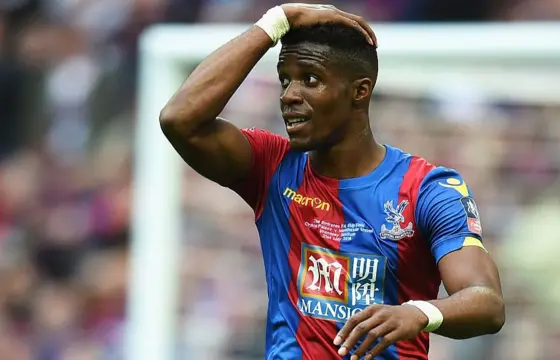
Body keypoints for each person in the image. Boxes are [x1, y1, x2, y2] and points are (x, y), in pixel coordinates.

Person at [160, 3, 505, 359]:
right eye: (285, 79)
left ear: (360, 91)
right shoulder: (272, 168)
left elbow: (487, 302)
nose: (289, 95)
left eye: (310, 79)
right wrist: (277, 21)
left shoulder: (427, 190)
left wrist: (420, 313)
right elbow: (180, 119)